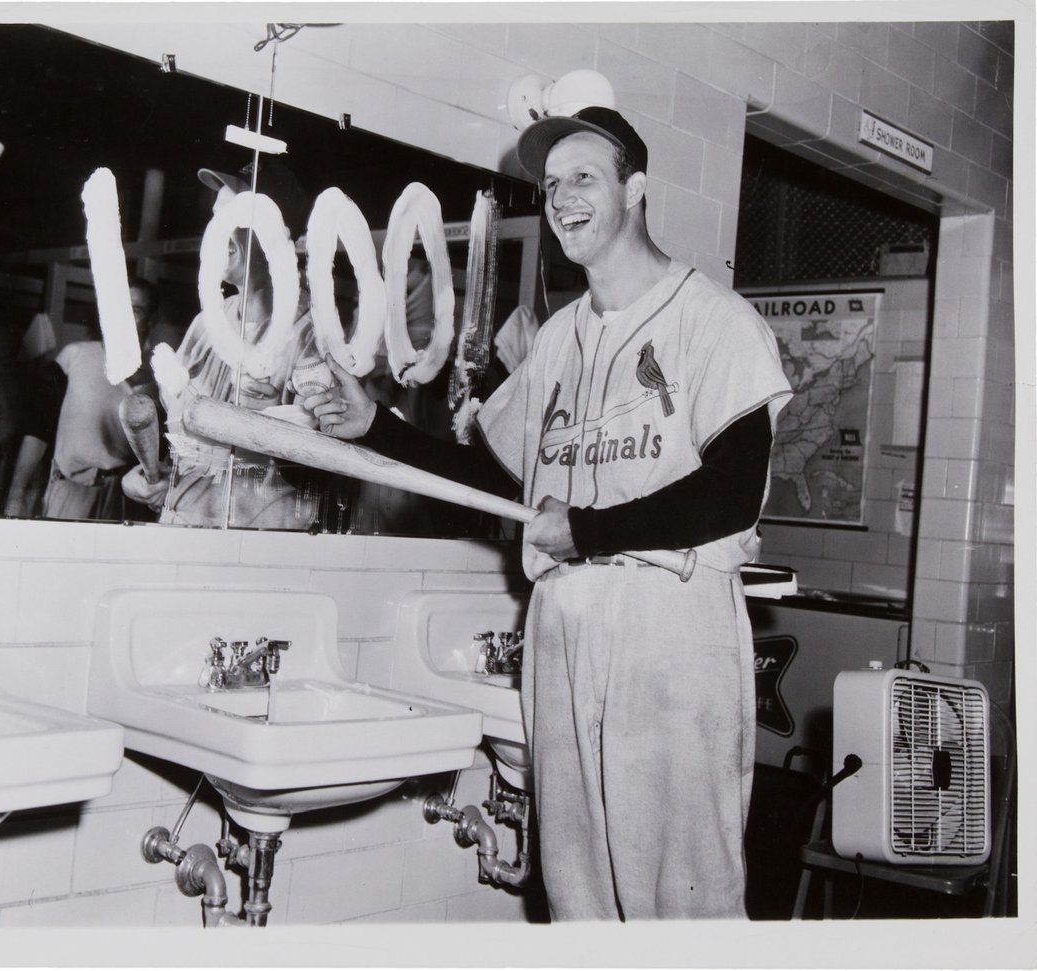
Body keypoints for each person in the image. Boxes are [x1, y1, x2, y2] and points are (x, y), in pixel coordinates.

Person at [304, 106, 793, 920]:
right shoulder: (560, 339)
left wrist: (590, 531)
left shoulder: (716, 322)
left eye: (584, 178)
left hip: (668, 623)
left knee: (685, 898)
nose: (562, 197)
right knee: (578, 892)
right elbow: (490, 474)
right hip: (563, 624)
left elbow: (731, 492)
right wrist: (378, 427)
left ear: (636, 190)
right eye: (552, 182)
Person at [121, 164, 334, 530]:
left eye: (232, 216)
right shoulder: (207, 325)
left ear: (276, 236)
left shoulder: (312, 336)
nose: (215, 230)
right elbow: (188, 443)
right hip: (182, 526)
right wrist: (147, 475)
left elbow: (327, 475)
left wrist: (269, 427)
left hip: (254, 544)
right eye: (215, 216)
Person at [3, 278, 159, 520]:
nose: (125, 319)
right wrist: (16, 493)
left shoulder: (157, 382)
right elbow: (37, 431)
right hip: (70, 492)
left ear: (150, 322)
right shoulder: (74, 357)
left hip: (122, 499)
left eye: (136, 312)